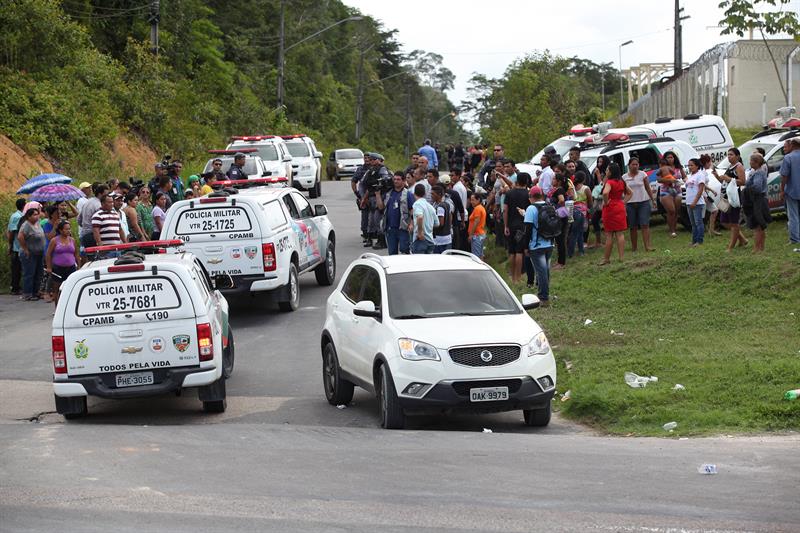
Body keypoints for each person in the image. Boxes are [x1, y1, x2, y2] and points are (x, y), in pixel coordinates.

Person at [713, 148, 748, 251]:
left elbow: (742, 181)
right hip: (726, 197)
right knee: (724, 221)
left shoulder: (739, 166)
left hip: (734, 197)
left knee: (734, 222)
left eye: (731, 155)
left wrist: (728, 179)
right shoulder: (730, 166)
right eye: (728, 155)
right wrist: (717, 176)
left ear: (737, 156)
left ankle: (731, 247)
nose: (729, 157)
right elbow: (724, 181)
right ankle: (742, 239)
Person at [523, 187, 553, 304]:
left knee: (541, 272)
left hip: (536, 245)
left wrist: (526, 246)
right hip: (549, 243)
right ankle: (545, 293)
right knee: (546, 270)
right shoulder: (549, 205)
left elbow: (528, 229)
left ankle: (543, 297)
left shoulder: (531, 208)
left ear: (531, 197)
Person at [600, 163, 632, 265]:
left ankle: (606, 259)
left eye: (607, 170)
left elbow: (605, 193)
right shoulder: (621, 181)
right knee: (620, 233)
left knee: (609, 235)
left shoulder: (609, 182)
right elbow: (630, 192)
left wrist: (605, 202)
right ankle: (621, 257)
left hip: (610, 208)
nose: (606, 172)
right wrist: (623, 202)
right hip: (619, 206)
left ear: (611, 172)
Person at [623, 157, 655, 252]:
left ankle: (647, 246)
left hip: (643, 202)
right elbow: (624, 191)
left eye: (637, 164)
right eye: (633, 164)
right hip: (630, 204)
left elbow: (648, 187)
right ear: (629, 165)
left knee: (645, 224)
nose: (635, 166)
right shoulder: (624, 177)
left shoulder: (642, 174)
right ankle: (634, 248)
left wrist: (652, 199)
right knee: (633, 226)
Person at [44, 220, 78, 309]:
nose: (68, 231)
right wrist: (49, 267)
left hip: (71, 268)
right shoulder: (54, 240)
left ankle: (70, 308)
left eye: (69, 229)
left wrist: (80, 266)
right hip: (58, 268)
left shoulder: (72, 240)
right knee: (58, 289)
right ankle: (58, 309)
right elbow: (48, 254)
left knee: (71, 289)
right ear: (60, 230)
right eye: (66, 229)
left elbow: (76, 255)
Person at [504, 173, 531, 283]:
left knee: (512, 251)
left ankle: (512, 277)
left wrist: (505, 225)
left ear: (517, 181)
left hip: (511, 225)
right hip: (523, 226)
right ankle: (518, 277)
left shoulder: (509, 193)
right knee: (519, 251)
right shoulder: (528, 194)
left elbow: (505, 210)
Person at [360, 153, 389, 249]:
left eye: (373, 159)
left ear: (378, 160)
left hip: (380, 197)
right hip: (372, 197)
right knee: (371, 220)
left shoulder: (382, 169)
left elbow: (384, 182)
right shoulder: (371, 171)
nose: (371, 161)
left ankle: (382, 241)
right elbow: (368, 186)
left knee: (378, 219)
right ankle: (371, 238)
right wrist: (364, 198)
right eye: (370, 159)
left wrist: (378, 192)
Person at [743, 152, 771, 253]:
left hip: (757, 200)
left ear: (756, 162)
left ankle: (757, 247)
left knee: (757, 225)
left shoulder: (758, 173)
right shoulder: (758, 171)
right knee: (760, 225)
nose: (749, 162)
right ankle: (761, 247)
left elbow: (758, 187)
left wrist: (748, 189)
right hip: (760, 199)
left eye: (751, 160)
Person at [383, 171, 415, 255]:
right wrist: (378, 194)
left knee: (404, 250)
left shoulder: (408, 194)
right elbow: (381, 207)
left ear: (403, 181)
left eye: (398, 179)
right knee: (392, 253)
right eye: (394, 179)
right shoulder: (389, 193)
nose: (396, 181)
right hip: (390, 228)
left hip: (403, 228)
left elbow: (412, 210)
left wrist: (411, 224)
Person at [17, 207, 46, 301]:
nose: (37, 216)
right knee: (30, 273)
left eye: (37, 214)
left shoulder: (37, 223)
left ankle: (36, 291)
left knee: (39, 273)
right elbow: (20, 237)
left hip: (39, 252)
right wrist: (25, 249)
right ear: (28, 216)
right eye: (34, 214)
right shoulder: (26, 225)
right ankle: (28, 293)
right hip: (30, 253)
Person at [779, 137, 800, 244]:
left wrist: (782, 190)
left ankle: (795, 239)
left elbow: (784, 176)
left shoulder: (788, 158)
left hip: (792, 190)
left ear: (792, 145)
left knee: (793, 216)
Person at [77, 183, 108, 251]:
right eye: (105, 195)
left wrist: (85, 226)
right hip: (94, 235)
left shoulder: (87, 202)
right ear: (100, 194)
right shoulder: (99, 205)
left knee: (90, 257)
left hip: (85, 235)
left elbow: (79, 219)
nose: (107, 197)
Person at [684, 158, 707, 247]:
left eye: (692, 165)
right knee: (693, 224)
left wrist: (695, 201)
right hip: (689, 202)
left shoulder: (700, 175)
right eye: (688, 165)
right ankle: (694, 241)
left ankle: (699, 241)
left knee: (698, 222)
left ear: (697, 166)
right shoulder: (690, 176)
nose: (690, 167)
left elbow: (701, 189)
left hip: (697, 203)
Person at [568, 171, 591, 258]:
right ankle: (573, 252)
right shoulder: (586, 188)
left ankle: (579, 250)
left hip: (571, 210)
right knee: (578, 232)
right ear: (584, 179)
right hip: (582, 213)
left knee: (573, 231)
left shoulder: (571, 188)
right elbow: (590, 202)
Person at [656, 158, 681, 237]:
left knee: (676, 212)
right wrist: (669, 178)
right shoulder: (667, 168)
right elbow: (658, 179)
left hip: (677, 191)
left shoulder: (677, 168)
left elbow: (683, 176)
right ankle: (672, 230)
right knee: (671, 210)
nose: (670, 159)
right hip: (666, 190)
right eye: (668, 158)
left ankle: (674, 229)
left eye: (671, 157)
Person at [6, 198, 26, 295]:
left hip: (19, 246)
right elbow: (11, 232)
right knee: (16, 268)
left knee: (19, 268)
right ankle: (15, 287)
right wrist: (10, 245)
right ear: (23, 206)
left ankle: (18, 286)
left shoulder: (20, 216)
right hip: (17, 246)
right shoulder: (17, 217)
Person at [411, 183, 436, 254]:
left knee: (419, 264)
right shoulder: (430, 206)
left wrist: (420, 232)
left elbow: (420, 217)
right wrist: (428, 225)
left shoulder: (417, 204)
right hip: (430, 240)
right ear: (425, 193)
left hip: (420, 240)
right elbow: (437, 223)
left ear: (414, 193)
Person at [701, 154, 722, 236]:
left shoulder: (703, 171)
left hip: (705, 194)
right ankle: (703, 231)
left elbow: (704, 185)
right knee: (702, 215)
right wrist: (704, 195)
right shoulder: (702, 172)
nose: (711, 163)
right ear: (706, 162)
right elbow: (701, 185)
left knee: (714, 210)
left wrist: (712, 190)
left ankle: (711, 230)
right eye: (710, 161)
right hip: (703, 196)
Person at [431, 185, 453, 254]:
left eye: (433, 194)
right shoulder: (446, 204)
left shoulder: (440, 207)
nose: (431, 196)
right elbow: (450, 219)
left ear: (439, 195)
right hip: (447, 237)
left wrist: (430, 226)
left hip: (440, 239)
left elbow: (441, 223)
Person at [467, 192, 487, 260]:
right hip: (480, 234)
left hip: (477, 235)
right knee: (480, 255)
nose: (471, 202)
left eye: (473, 200)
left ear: (478, 200)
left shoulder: (477, 209)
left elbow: (476, 221)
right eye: (470, 200)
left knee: (476, 257)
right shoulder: (480, 208)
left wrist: (471, 235)